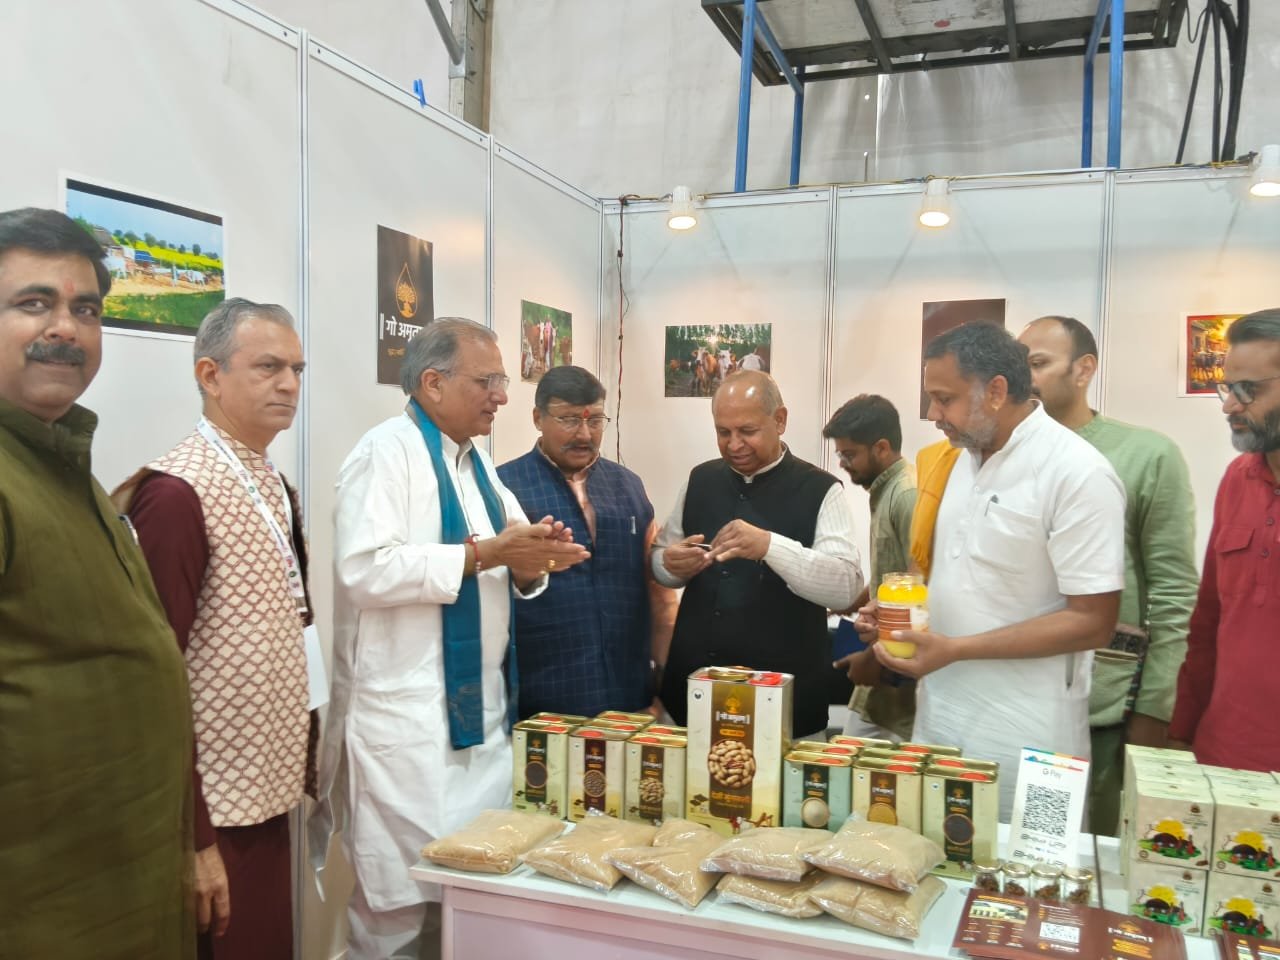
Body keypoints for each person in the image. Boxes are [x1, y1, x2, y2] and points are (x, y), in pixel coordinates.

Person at [313, 318, 589, 959]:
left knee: (471, 903)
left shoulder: (476, 464)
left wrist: (534, 562)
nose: (501, 396)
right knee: (397, 914)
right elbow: (363, 570)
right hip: (406, 730)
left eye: (502, 381)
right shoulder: (385, 453)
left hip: (479, 725)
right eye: (487, 381)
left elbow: (510, 557)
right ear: (433, 383)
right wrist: (485, 554)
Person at [0, 207, 192, 957]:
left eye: (85, 309)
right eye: (34, 303)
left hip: (125, 890)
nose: (67, 329)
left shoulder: (62, 463)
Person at [113, 298, 314, 958]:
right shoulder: (177, 494)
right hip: (211, 810)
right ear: (209, 375)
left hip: (267, 791)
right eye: (268, 367)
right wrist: (190, 835)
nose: (288, 385)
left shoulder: (270, 480)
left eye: (296, 370)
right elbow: (151, 675)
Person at [875, 322, 1125, 816]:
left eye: (944, 399)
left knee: (1028, 863)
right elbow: (955, 579)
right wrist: (896, 619)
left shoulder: (1077, 472)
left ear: (995, 391)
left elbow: (1093, 621)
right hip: (939, 720)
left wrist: (957, 650)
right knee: (933, 850)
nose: (933, 414)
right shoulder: (953, 462)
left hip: (1033, 737)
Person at [1019, 315, 1197, 834]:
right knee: (1025, 845)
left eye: (1039, 363)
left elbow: (1173, 590)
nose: (1027, 378)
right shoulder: (1000, 458)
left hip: (1106, 701)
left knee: (1091, 851)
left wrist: (1155, 707)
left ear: (1083, 370)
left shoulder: (1147, 455)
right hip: (1016, 693)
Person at [652, 370, 863, 739]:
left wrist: (770, 546)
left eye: (747, 431)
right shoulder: (700, 480)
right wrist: (670, 564)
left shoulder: (821, 490)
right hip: (695, 693)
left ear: (779, 420)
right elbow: (660, 562)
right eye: (723, 432)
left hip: (785, 704)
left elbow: (845, 588)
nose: (734, 444)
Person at [497, 365, 677, 717]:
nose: (583, 434)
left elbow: (658, 593)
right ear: (537, 418)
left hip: (628, 692)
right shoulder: (504, 487)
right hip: (542, 695)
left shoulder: (628, 486)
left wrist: (665, 681)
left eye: (595, 420)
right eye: (568, 420)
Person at [1170, 308, 1280, 772]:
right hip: (1223, 758)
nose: (1229, 406)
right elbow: (1208, 621)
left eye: (1248, 390)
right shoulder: (1238, 478)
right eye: (1228, 388)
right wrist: (1181, 731)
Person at [823, 394, 918, 742]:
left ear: (881, 448)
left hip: (896, 676)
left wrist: (874, 659)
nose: (843, 464)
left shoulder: (906, 495)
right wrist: (849, 603)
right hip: (879, 678)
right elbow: (891, 575)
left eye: (849, 455)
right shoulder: (886, 490)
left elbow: (921, 588)